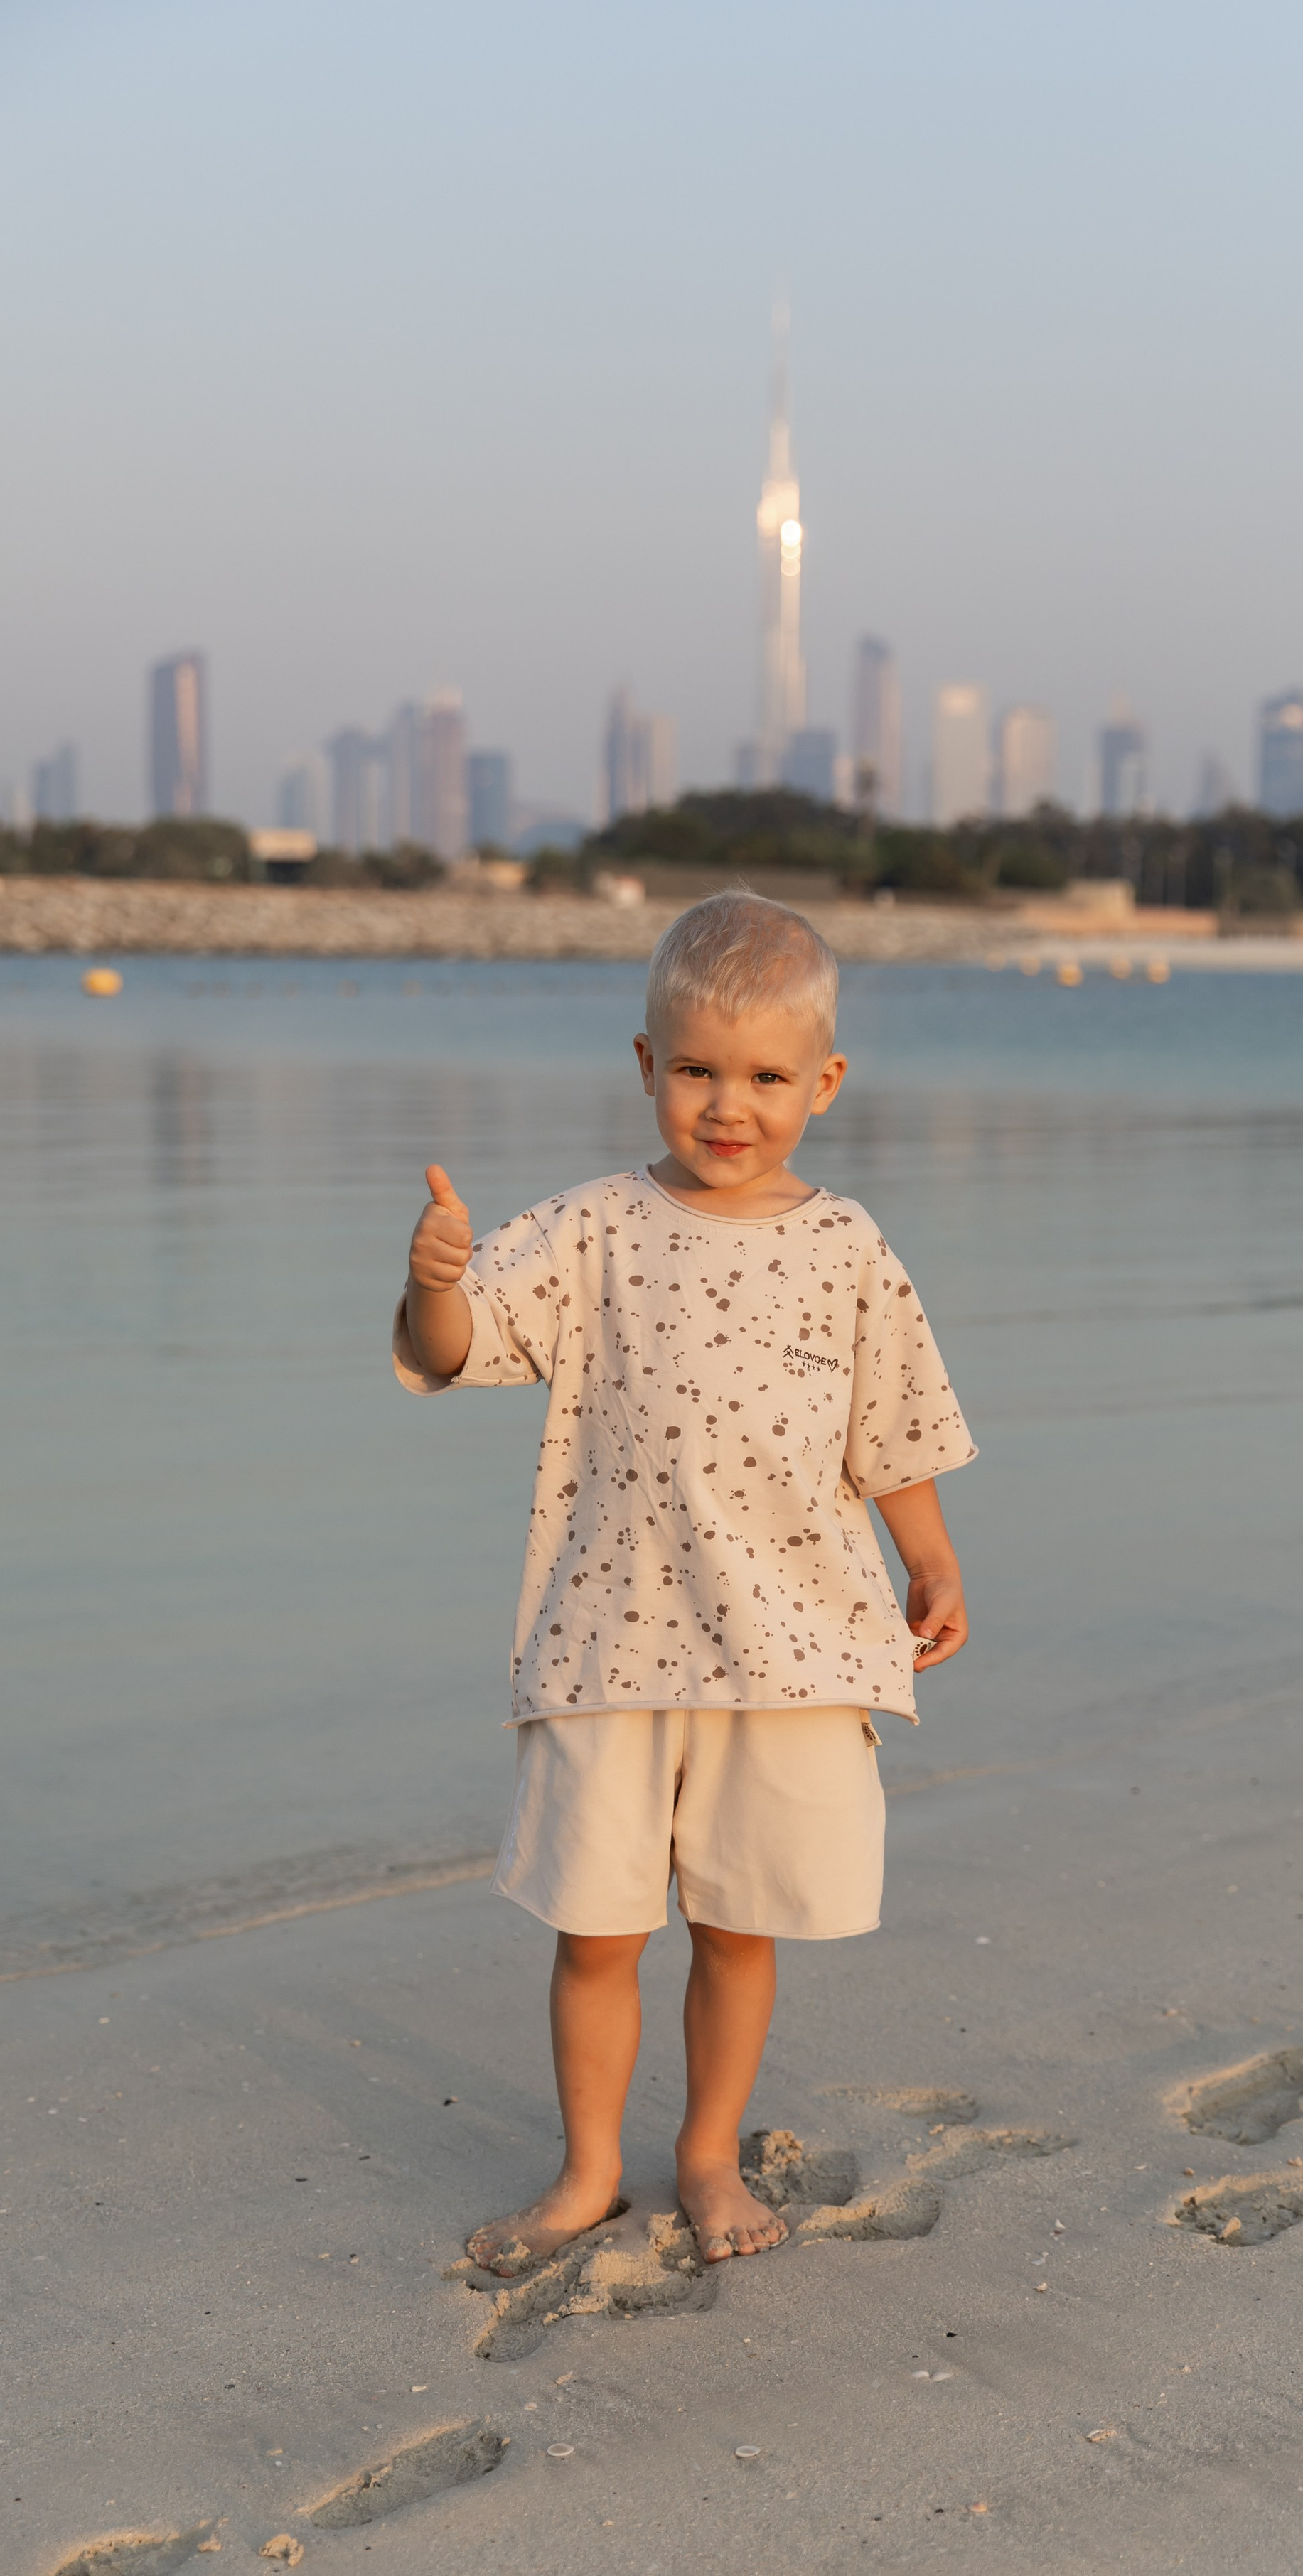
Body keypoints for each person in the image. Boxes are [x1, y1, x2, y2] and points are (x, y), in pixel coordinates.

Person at [393, 890, 975, 2267]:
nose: (730, 1106)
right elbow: (453, 1348)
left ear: (821, 1084)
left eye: (767, 1078)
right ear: (648, 1065)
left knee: (735, 1923)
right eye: (699, 1071)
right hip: (610, 1643)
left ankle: (706, 2153)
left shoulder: (847, 1247)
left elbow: (891, 1427)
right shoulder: (589, 1228)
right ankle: (588, 2169)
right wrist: (431, 1279)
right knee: (596, 1931)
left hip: (788, 1648)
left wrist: (932, 1558)